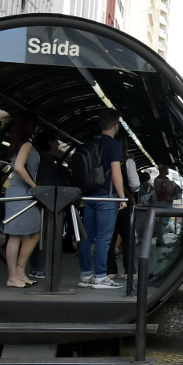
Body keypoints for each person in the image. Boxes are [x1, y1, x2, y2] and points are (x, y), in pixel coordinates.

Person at [77, 111, 127, 290]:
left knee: (86, 237)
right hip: (106, 197)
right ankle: (100, 277)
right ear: (116, 125)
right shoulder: (114, 145)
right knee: (104, 239)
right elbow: (115, 173)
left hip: (88, 196)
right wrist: (122, 197)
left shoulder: (89, 143)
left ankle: (85, 275)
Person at [1, 113, 41, 288]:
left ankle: (19, 271)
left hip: (20, 191)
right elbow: (18, 167)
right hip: (22, 192)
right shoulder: (26, 144)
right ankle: (12, 276)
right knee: (16, 234)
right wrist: (34, 185)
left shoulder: (17, 144)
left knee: (33, 231)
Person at [24, 128, 64, 280]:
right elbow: (49, 181)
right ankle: (40, 268)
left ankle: (37, 267)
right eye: (56, 140)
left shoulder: (40, 156)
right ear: (49, 142)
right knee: (44, 234)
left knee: (39, 233)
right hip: (46, 200)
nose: (59, 143)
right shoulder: (45, 158)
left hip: (39, 199)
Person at [106, 140, 141, 278]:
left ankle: (110, 270)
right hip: (124, 201)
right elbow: (135, 184)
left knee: (109, 236)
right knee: (128, 236)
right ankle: (129, 270)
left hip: (107, 199)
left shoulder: (105, 158)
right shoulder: (128, 161)